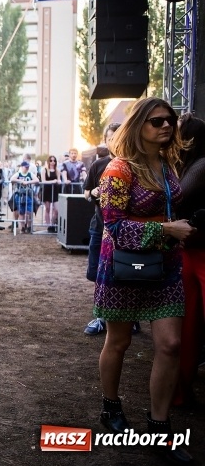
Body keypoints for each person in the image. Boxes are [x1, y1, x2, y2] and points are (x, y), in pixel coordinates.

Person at [93, 97, 196, 464]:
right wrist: (166, 227)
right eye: (156, 121)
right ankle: (111, 407)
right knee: (118, 341)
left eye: (169, 121)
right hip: (124, 267)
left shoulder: (168, 164)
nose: (166, 126)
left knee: (169, 345)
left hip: (165, 266)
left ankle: (158, 428)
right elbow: (115, 227)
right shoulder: (118, 170)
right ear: (139, 125)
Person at [174, 113, 205, 407]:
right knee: (187, 327)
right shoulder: (183, 165)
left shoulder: (200, 165)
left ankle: (182, 392)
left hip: (199, 248)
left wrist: (191, 224)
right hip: (189, 251)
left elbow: (179, 197)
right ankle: (181, 392)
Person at [83, 123, 121, 336]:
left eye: (118, 137)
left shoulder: (134, 164)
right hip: (99, 227)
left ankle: (128, 318)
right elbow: (85, 193)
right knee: (97, 273)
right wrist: (93, 191)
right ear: (106, 141)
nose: (114, 142)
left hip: (123, 231)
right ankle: (100, 317)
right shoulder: (98, 165)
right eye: (110, 138)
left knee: (124, 274)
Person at [10, 161, 39, 233]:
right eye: (26, 167)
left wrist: (28, 182)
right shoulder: (18, 174)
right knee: (21, 212)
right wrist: (20, 181)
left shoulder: (30, 174)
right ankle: (22, 227)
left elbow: (37, 180)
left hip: (28, 195)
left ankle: (29, 226)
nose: (27, 168)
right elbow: (12, 179)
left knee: (29, 212)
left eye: (28, 167)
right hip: (20, 195)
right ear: (22, 167)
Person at [41, 155, 62, 232]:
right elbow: (43, 181)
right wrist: (52, 181)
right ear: (48, 161)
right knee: (47, 208)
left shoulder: (57, 170)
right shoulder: (44, 170)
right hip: (47, 191)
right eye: (51, 160)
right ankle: (49, 225)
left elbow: (59, 180)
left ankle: (53, 224)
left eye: (54, 161)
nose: (52, 162)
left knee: (56, 209)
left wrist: (59, 182)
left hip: (55, 191)